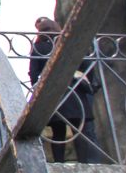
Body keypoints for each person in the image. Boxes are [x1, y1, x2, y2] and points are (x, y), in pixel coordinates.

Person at [28, 16, 103, 163]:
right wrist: (86, 80)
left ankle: (59, 163)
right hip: (75, 91)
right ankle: (84, 163)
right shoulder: (69, 43)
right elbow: (86, 65)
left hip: (53, 93)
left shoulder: (39, 47)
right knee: (79, 130)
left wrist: (37, 89)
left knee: (58, 132)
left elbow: (33, 73)